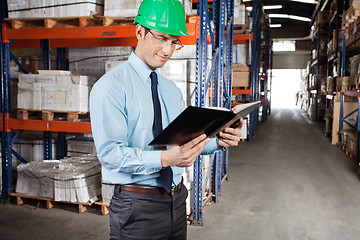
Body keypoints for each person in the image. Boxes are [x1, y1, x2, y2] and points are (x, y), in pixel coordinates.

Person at [90, 0, 243, 239]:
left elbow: (182, 142)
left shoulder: (171, 90)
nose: (168, 50)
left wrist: (220, 140)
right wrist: (165, 158)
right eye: (162, 38)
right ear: (139, 31)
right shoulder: (111, 87)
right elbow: (110, 155)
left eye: (174, 42)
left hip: (177, 199)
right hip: (137, 205)